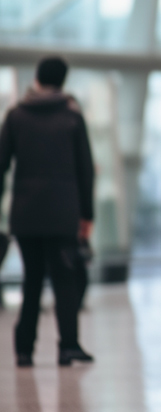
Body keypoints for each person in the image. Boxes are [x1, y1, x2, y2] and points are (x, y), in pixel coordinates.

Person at [0, 56, 95, 367]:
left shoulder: (16, 116)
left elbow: (0, 167)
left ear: (37, 77)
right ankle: (68, 346)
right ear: (63, 80)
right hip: (63, 213)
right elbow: (85, 170)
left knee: (32, 280)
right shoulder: (71, 115)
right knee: (65, 280)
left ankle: (24, 349)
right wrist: (87, 216)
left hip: (26, 213)